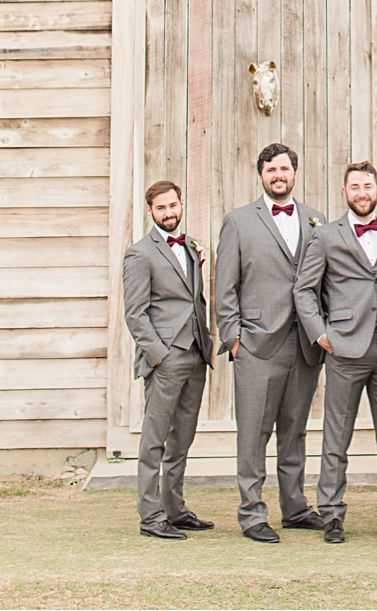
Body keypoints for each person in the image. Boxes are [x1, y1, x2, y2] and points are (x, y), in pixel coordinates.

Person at [292, 159, 377, 544]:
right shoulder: (326, 236)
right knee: (337, 438)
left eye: (368, 186)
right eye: (355, 187)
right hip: (345, 349)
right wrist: (320, 334)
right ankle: (331, 514)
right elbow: (304, 290)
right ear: (345, 192)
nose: (361, 193)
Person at [213, 141, 326, 542]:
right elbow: (224, 286)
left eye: (284, 169)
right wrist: (234, 337)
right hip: (257, 345)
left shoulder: (317, 221)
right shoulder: (239, 221)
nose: (278, 176)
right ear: (260, 175)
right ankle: (252, 513)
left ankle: (295, 507)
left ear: (295, 173)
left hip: (305, 345)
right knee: (254, 433)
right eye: (271, 170)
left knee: (294, 431)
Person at [123, 179, 214, 540]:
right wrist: (159, 356)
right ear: (150, 211)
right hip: (166, 358)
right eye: (161, 208)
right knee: (155, 439)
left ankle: (174, 509)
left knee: (183, 439)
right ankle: (150, 515)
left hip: (195, 354)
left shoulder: (191, 247)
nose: (169, 213)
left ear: (181, 204)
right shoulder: (139, 254)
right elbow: (135, 313)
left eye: (173, 205)